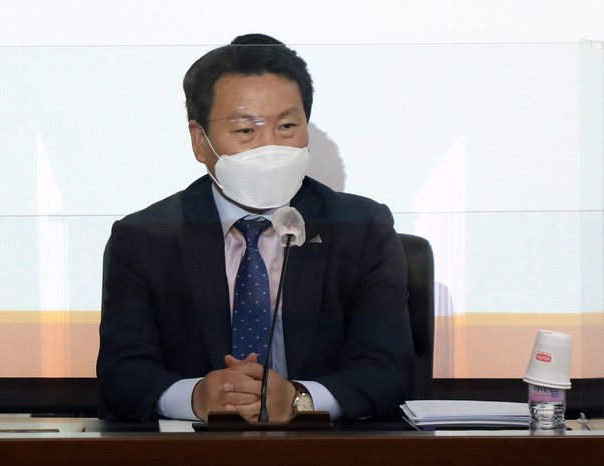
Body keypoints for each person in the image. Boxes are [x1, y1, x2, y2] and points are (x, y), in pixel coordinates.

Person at [97, 33, 415, 423]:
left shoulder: (361, 229)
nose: (270, 148)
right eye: (246, 131)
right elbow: (122, 374)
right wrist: (196, 397)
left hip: (324, 447)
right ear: (200, 141)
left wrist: (298, 400)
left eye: (287, 126)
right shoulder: (145, 239)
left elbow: (387, 369)